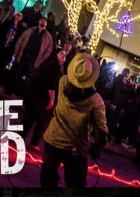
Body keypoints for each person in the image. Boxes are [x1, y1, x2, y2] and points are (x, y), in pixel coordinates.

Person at [40, 53, 109, 188]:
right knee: (75, 184)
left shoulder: (63, 81)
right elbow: (102, 131)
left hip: (53, 138)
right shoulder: (96, 101)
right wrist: (97, 150)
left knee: (48, 178)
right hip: (76, 148)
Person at [23, 43, 68, 149]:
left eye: (65, 55)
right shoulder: (53, 65)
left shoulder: (59, 68)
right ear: (56, 54)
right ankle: (28, 141)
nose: (63, 56)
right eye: (61, 53)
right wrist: (52, 100)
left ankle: (30, 141)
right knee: (37, 120)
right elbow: (50, 83)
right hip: (41, 97)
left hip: (40, 97)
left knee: (35, 121)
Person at [10, 17, 53, 93]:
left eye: (44, 21)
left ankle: (21, 95)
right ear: (39, 21)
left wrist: (41, 59)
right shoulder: (31, 30)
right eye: (41, 20)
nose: (42, 22)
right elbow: (21, 39)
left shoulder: (48, 37)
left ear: (46, 24)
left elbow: (49, 50)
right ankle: (10, 90)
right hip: (25, 54)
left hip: (34, 59)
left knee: (29, 78)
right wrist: (17, 52)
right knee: (17, 73)